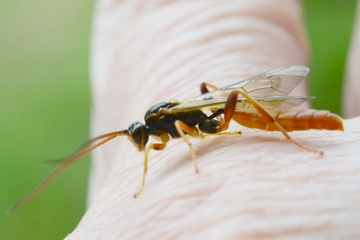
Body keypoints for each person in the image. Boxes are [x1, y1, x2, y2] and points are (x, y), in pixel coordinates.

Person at [66, 1, 360, 238]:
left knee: (230, 95)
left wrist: (196, 157)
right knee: (225, 96)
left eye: (138, 138)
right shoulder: (161, 133)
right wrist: (142, 184)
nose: (141, 144)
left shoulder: (167, 121)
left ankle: (290, 137)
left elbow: (183, 125)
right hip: (220, 119)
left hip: (232, 114)